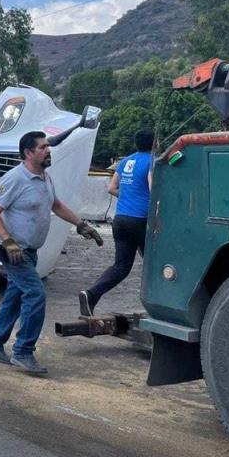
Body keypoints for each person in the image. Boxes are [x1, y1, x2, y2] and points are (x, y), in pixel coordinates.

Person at [0, 131, 103, 374]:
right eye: (43, 147)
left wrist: (81, 225)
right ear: (28, 153)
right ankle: (23, 351)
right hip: (13, 250)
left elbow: (56, 205)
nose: (48, 150)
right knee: (36, 294)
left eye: (48, 146)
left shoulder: (45, 177)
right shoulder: (14, 179)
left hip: (30, 250)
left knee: (15, 296)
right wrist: (8, 241)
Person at [79, 130, 154, 317]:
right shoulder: (152, 162)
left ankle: (91, 294)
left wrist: (130, 197)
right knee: (156, 265)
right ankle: (159, 308)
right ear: (155, 143)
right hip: (140, 220)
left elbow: (112, 188)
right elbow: (155, 191)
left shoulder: (125, 161)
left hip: (120, 220)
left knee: (121, 266)